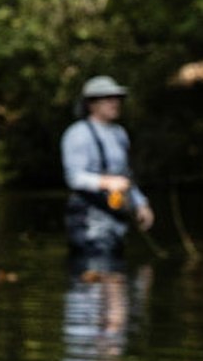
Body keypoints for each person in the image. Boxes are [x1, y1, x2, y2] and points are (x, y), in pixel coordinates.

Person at [63, 75, 155, 269]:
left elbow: (126, 176)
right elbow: (74, 178)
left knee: (115, 266)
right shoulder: (78, 134)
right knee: (95, 266)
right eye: (107, 99)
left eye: (117, 98)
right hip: (88, 220)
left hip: (116, 219)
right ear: (91, 104)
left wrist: (141, 204)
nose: (115, 103)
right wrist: (106, 182)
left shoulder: (119, 133)